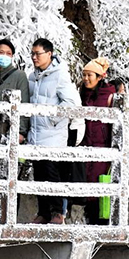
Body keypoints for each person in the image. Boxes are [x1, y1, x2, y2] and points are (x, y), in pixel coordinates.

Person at [28, 38, 82, 224]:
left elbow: (72, 103)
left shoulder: (60, 75)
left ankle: (58, 212)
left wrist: (51, 119)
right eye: (32, 53)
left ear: (49, 54)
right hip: (35, 134)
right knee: (39, 174)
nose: (34, 57)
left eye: (38, 54)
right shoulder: (32, 77)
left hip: (53, 135)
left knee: (53, 174)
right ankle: (43, 212)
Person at [0, 38, 30, 224]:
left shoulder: (19, 76)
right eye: (1, 52)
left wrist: (22, 131)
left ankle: (9, 215)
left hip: (11, 131)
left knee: (10, 173)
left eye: (8, 54)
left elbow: (25, 103)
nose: (4, 56)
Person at [78, 57, 116, 224]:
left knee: (99, 186)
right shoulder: (82, 93)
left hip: (102, 146)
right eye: (84, 75)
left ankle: (100, 222)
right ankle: (89, 221)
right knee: (86, 186)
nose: (86, 79)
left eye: (90, 75)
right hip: (86, 144)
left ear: (100, 77)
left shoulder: (110, 96)